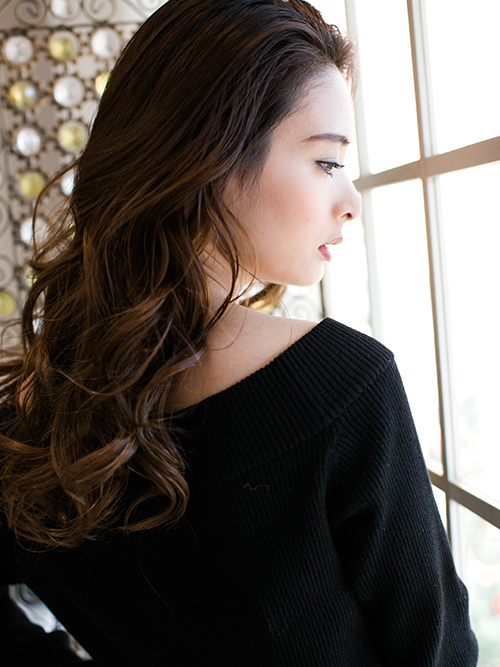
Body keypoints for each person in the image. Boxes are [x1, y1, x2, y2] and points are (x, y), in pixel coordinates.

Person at [0, 0, 478, 664]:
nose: (351, 201)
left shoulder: (38, 417)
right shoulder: (341, 389)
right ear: (211, 156)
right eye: (327, 162)